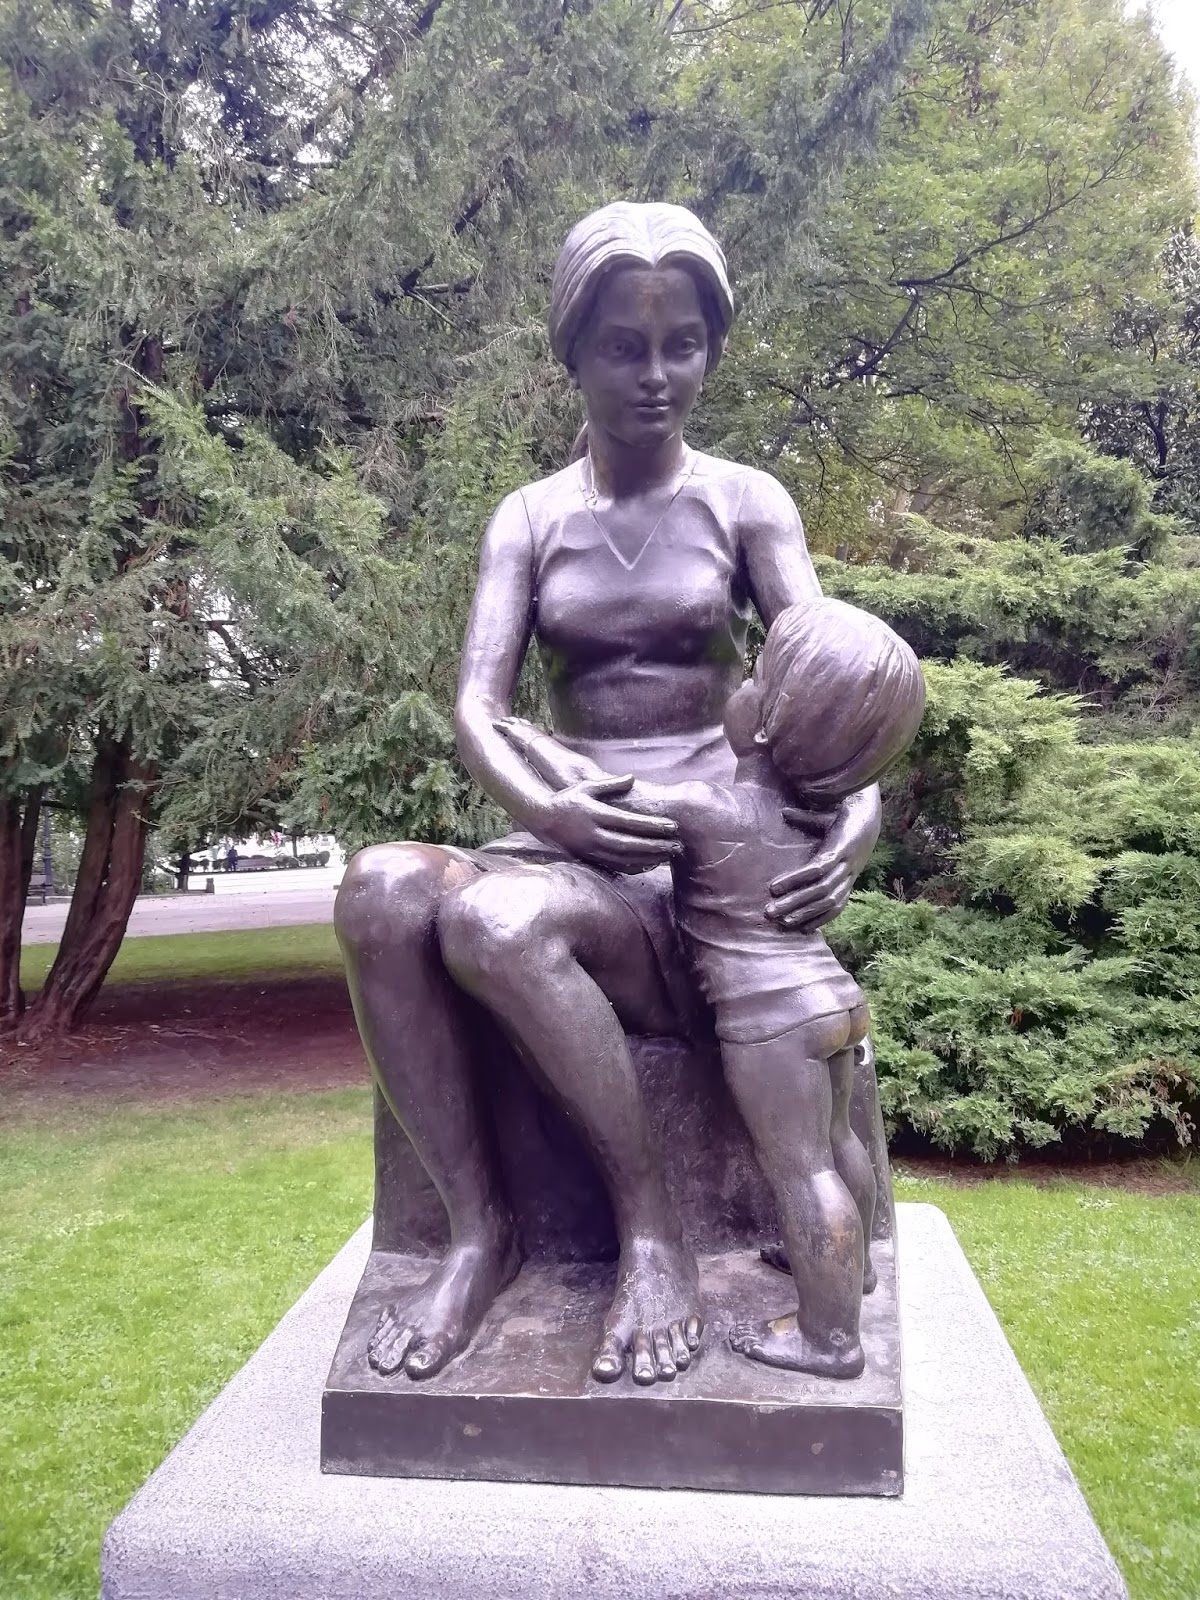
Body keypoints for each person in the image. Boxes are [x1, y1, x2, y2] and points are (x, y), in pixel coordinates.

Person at [334, 201, 883, 1388]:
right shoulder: (530, 518)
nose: (656, 376)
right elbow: (478, 707)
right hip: (567, 837)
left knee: (494, 921)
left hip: (699, 876)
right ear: (573, 352)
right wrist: (550, 813)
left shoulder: (747, 502)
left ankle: (655, 1235)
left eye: (683, 344)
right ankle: (478, 1234)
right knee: (379, 891)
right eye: (624, 347)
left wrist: (858, 811)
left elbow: (834, 681)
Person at [495, 596, 925, 1378]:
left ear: (762, 724)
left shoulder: (709, 809)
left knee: (804, 1170)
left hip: (770, 1023)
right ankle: (852, 1267)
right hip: (833, 1000)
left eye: (754, 677)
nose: (742, 684)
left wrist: (533, 743)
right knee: (840, 1145)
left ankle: (829, 1340)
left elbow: (605, 791)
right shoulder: (819, 822)